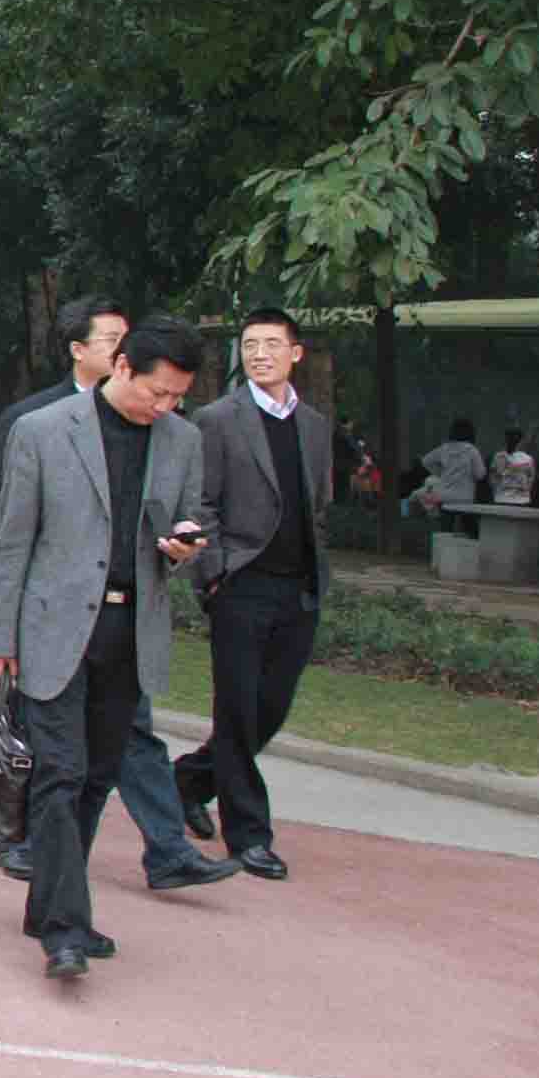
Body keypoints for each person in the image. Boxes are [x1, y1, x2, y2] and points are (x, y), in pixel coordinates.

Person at [0, 297, 237, 894]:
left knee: (98, 776)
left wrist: (182, 546)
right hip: (55, 629)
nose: (164, 406)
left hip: (130, 632)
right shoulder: (41, 428)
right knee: (61, 775)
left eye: (177, 397)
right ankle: (66, 921)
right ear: (122, 366)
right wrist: (0, 635)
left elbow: (185, 520)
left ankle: (51, 907)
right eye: (157, 392)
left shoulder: (181, 440)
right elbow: (13, 542)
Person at [172, 308, 332, 883]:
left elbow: (319, 503)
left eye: (271, 344)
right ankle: (249, 835)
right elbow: (201, 502)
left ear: (296, 352)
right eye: (249, 345)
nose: (259, 354)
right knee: (238, 710)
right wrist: (214, 574)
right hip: (241, 585)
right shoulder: (218, 419)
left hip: (299, 590)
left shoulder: (313, 425)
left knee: (270, 709)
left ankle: (189, 779)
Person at [423, 419, 487, 535]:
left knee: (445, 530)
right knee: (471, 530)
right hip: (465, 498)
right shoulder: (471, 450)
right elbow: (480, 474)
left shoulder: (444, 449)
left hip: (445, 497)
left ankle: (444, 545)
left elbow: (426, 461)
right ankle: (472, 543)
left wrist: (440, 473)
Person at [489, 428, 537, 506]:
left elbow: (492, 478)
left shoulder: (498, 457)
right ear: (521, 441)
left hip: (501, 498)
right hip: (521, 500)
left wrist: (497, 491)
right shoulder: (528, 459)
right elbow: (531, 479)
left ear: (505, 440)